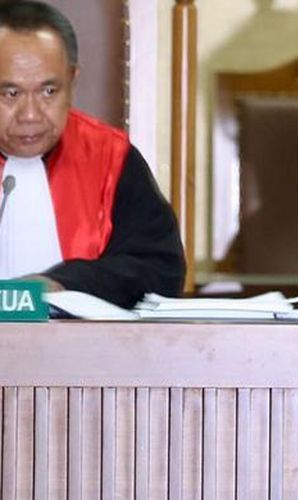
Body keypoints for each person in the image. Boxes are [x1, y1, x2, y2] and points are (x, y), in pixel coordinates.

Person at [0, 1, 184, 308]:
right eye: (11, 93)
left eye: (48, 91)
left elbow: (160, 270)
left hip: (88, 339)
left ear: (72, 81)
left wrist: (65, 284)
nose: (30, 115)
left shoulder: (111, 158)